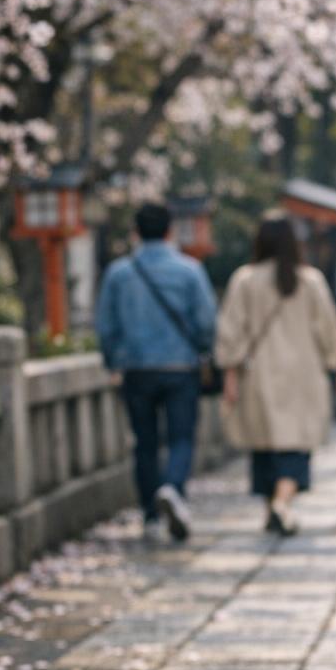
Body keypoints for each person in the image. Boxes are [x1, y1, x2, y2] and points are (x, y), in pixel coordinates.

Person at [214, 211, 336, 536]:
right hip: (304, 375)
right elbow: (329, 330)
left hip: (259, 377)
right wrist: (332, 363)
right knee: (294, 446)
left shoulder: (244, 280)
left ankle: (273, 506)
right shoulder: (310, 280)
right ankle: (283, 503)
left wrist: (230, 376)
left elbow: (231, 333)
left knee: (264, 446)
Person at [95, 202, 217, 544]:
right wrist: (202, 349)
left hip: (136, 369)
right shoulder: (190, 270)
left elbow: (106, 327)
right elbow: (207, 321)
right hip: (181, 367)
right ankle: (173, 488)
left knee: (144, 442)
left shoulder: (119, 273)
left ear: (135, 232)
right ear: (169, 231)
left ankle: (150, 513)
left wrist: (112, 362)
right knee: (181, 437)